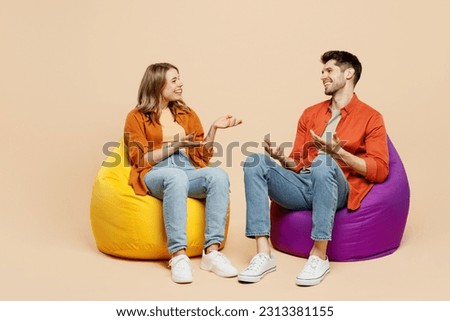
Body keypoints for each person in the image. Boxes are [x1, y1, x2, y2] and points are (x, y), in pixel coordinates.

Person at [238, 51, 389, 286]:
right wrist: (280, 157)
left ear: (348, 73)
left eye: (329, 71)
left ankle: (319, 255)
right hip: (303, 185)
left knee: (323, 161)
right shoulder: (310, 113)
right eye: (322, 72)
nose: (323, 76)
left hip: (338, 188)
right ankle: (263, 253)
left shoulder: (371, 117)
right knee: (254, 161)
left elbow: (380, 170)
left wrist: (338, 153)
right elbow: (297, 164)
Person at [124, 63, 242, 284]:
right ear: (158, 84)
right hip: (155, 171)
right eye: (174, 80)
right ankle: (178, 255)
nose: (181, 84)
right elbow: (140, 158)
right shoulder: (136, 117)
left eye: (180, 79)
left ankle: (212, 252)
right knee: (175, 177)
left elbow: (203, 156)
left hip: (186, 168)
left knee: (218, 175)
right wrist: (175, 146)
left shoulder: (186, 113)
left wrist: (213, 129)